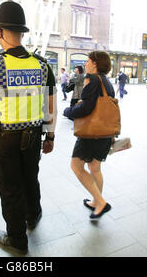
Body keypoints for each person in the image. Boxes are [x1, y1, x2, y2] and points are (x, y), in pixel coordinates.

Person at [0, 0, 57, 255]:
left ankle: (17, 239)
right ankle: (33, 215)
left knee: (10, 187)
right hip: (33, 136)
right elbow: (51, 105)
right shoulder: (42, 65)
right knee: (30, 177)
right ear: (22, 33)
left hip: (4, 138)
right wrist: (50, 136)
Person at [63, 51, 115, 220]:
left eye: (88, 61)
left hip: (91, 133)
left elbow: (86, 107)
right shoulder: (107, 82)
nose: (85, 64)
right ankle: (96, 201)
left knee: (76, 166)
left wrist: (68, 111)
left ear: (95, 63)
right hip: (105, 133)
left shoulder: (91, 79)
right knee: (95, 168)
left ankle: (100, 202)